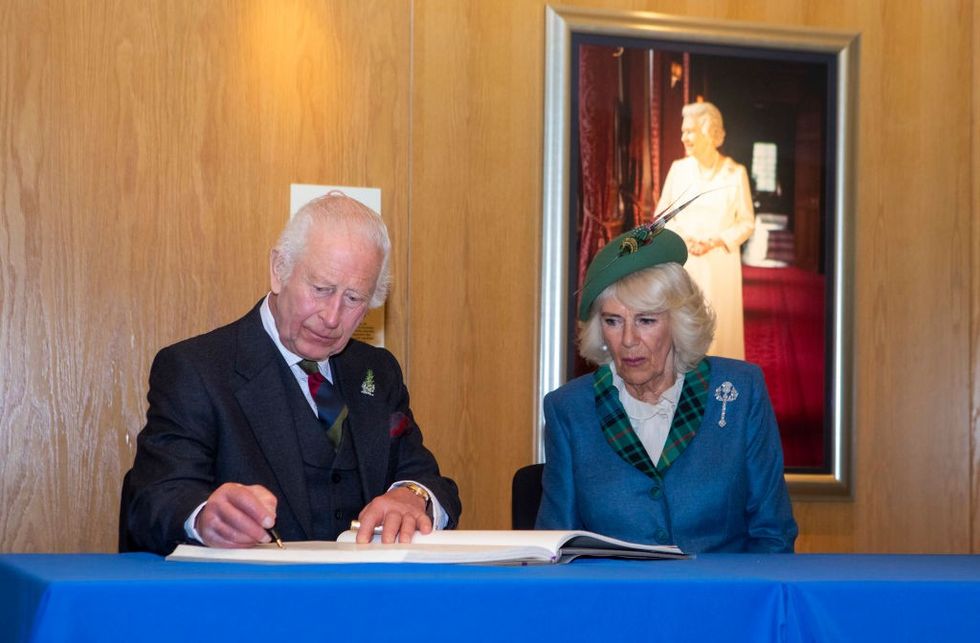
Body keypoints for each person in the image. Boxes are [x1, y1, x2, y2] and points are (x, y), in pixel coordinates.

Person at [119, 192, 461, 555]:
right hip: (250, 600)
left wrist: (413, 496)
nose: (331, 318)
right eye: (321, 290)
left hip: (365, 598)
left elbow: (427, 478)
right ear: (279, 270)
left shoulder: (376, 372)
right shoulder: (196, 369)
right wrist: (204, 518)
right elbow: (155, 498)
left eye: (353, 299)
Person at [536, 225, 797, 553]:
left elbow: (773, 536)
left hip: (720, 599)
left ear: (679, 322)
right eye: (613, 321)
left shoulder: (740, 392)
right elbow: (554, 547)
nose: (628, 340)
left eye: (646, 320)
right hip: (616, 601)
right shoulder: (569, 408)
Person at [660, 101, 755, 359]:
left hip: (720, 266)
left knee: (720, 331)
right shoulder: (678, 170)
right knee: (685, 329)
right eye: (683, 131)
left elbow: (747, 222)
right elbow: (662, 216)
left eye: (689, 131)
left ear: (709, 132)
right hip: (685, 263)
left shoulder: (735, 173)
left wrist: (716, 240)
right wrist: (685, 238)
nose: (683, 137)